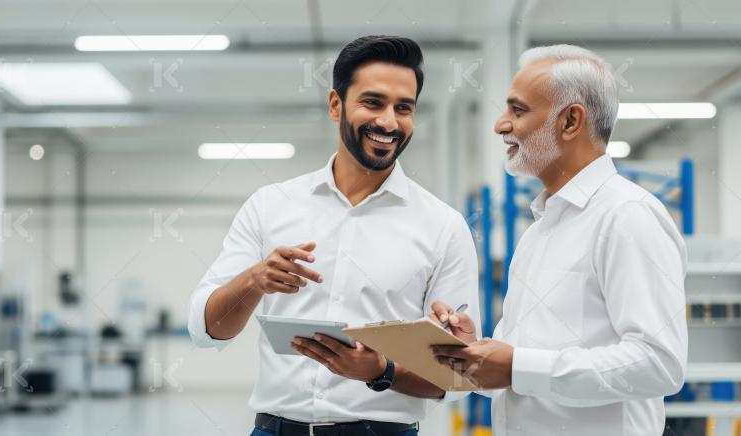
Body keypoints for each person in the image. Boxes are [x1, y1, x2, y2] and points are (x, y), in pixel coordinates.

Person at [188, 35, 481, 436]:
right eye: (373, 103)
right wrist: (254, 280)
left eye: (404, 108)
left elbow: (460, 378)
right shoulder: (270, 205)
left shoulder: (443, 226)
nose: (389, 122)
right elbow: (207, 330)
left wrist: (382, 371)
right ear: (335, 105)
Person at [431, 45, 688, 435]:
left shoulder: (627, 216)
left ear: (570, 121)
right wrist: (475, 353)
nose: (501, 125)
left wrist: (518, 366)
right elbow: (523, 375)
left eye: (517, 110)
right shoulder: (541, 229)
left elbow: (658, 364)